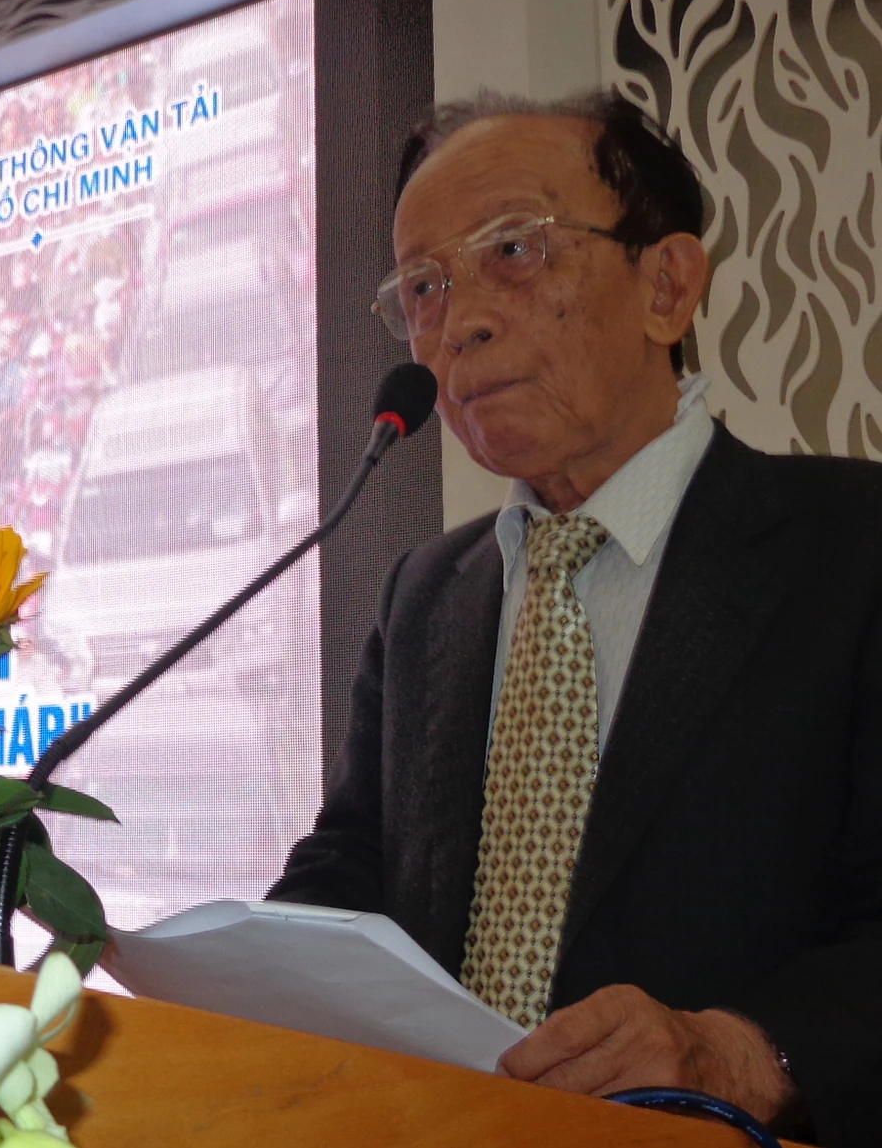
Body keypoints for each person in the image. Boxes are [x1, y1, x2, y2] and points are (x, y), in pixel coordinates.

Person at [268, 91, 882, 1148]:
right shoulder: (425, 593)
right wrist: (228, 961)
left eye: (514, 250)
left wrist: (742, 1053)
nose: (458, 321)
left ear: (666, 286)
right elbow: (355, 871)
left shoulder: (853, 546)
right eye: (423, 285)